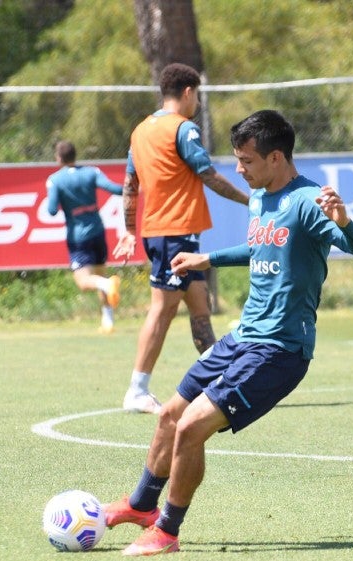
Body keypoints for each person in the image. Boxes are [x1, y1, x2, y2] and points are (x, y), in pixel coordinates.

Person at [103, 109, 353, 556]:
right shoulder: (260, 199)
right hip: (242, 338)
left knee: (191, 428)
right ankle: (141, 505)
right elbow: (260, 246)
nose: (238, 170)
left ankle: (166, 532)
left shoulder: (309, 201)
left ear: (276, 157)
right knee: (170, 414)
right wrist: (206, 260)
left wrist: (343, 220)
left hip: (280, 351)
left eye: (246, 161)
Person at [113, 63, 250, 414]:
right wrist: (252, 200)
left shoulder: (141, 130)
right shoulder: (183, 129)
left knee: (200, 306)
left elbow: (131, 186)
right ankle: (137, 390)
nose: (199, 104)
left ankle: (220, 380)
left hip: (169, 234)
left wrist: (130, 230)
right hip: (173, 233)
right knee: (163, 309)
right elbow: (207, 175)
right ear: (188, 92)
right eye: (198, 96)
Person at [46, 140, 123, 333]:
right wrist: (133, 189)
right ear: (74, 155)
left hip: (78, 237)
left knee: (84, 281)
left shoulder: (55, 180)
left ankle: (107, 285)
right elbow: (115, 189)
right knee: (100, 275)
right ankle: (108, 322)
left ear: (58, 158)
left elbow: (52, 210)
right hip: (98, 232)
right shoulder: (92, 172)